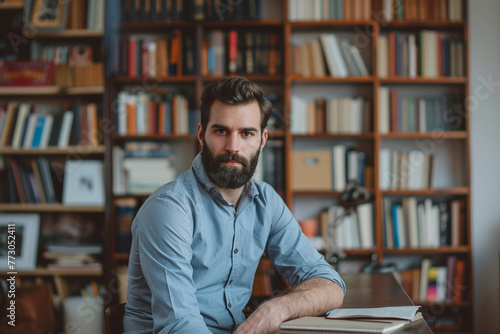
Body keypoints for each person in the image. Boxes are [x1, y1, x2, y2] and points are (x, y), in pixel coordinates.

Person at [123, 76, 345, 334]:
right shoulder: (169, 209)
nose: (233, 146)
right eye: (221, 131)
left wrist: (277, 309)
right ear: (201, 135)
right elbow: (179, 325)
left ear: (262, 140)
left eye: (246, 133)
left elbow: (330, 284)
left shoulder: (266, 201)